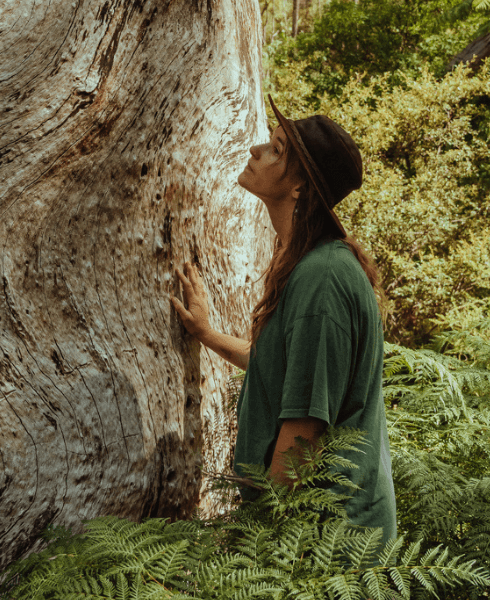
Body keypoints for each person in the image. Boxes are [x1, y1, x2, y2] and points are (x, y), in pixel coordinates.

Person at [170, 95, 397, 545]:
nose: (257, 150)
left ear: (299, 187)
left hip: (329, 542)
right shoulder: (309, 265)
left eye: (276, 149)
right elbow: (286, 373)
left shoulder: (322, 280)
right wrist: (207, 333)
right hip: (314, 530)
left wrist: (247, 541)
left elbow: (304, 434)